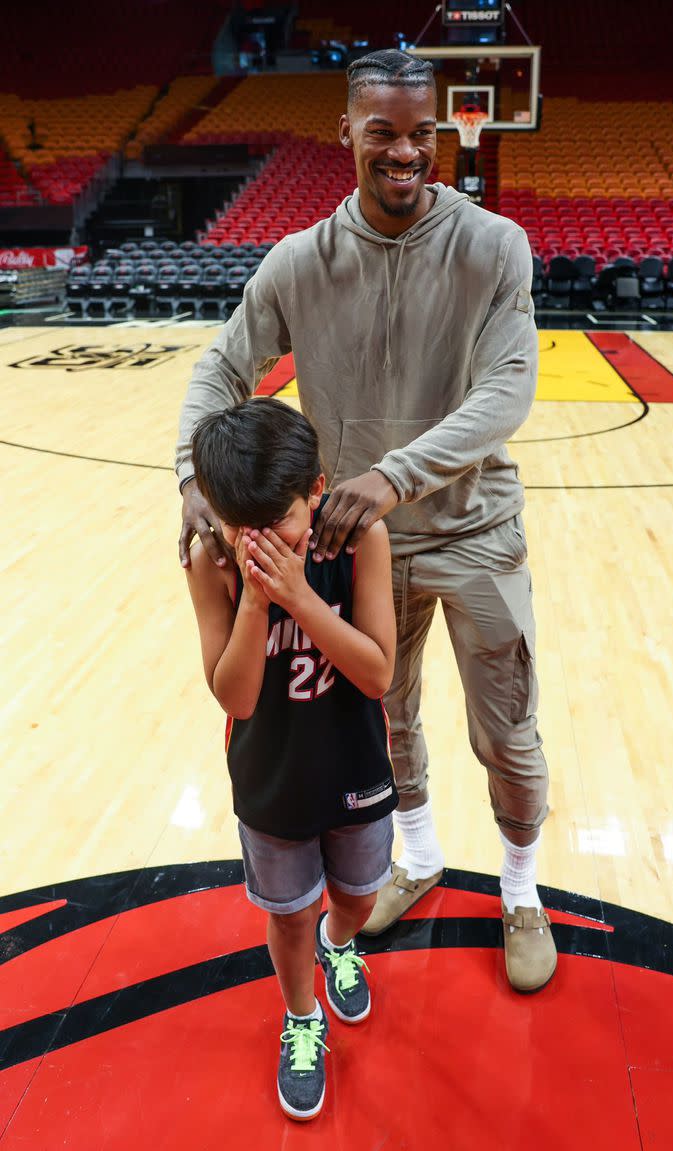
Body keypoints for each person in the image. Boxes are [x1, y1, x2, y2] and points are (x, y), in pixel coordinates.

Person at [176, 49, 557, 994]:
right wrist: (193, 475)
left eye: (421, 133)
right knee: (386, 720)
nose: (405, 152)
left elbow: (510, 389)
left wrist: (392, 475)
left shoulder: (495, 246)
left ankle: (520, 888)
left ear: (442, 132)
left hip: (468, 529)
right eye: (382, 132)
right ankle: (418, 856)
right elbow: (220, 371)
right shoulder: (300, 261)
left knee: (506, 728)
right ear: (345, 131)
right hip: (355, 541)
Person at [185, 397, 397, 1121]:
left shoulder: (361, 537)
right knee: (289, 913)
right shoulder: (210, 560)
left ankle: (343, 945)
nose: (259, 543)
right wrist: (253, 601)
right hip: (270, 767)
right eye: (239, 528)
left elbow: (377, 675)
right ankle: (302, 1016)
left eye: (277, 525)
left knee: (358, 897)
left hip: (353, 757)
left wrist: (300, 598)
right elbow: (235, 698)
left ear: (317, 490)